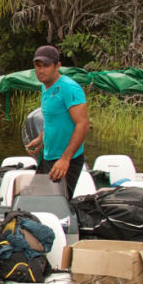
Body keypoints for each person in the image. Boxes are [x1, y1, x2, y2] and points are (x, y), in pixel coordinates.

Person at [26, 44, 90, 197]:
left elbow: (83, 124)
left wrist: (65, 159)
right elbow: (52, 120)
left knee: (56, 206)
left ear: (57, 66)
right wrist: (41, 138)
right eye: (38, 66)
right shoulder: (45, 87)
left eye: (46, 66)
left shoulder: (69, 88)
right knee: (32, 198)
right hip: (48, 156)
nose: (41, 70)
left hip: (66, 160)